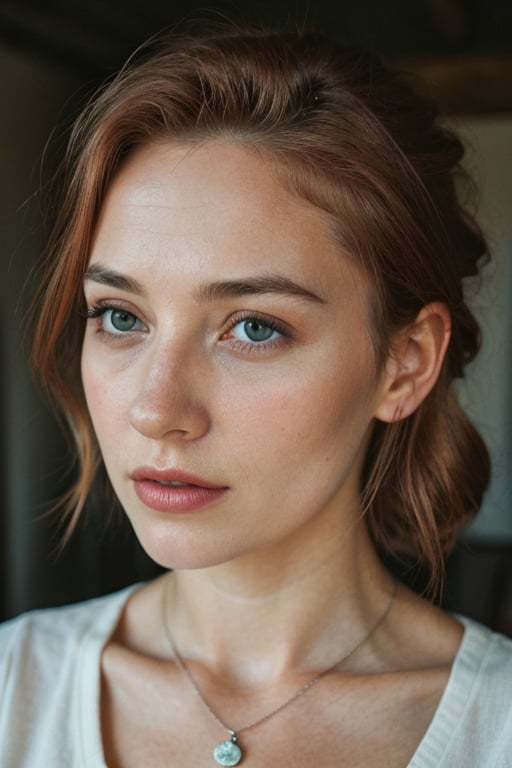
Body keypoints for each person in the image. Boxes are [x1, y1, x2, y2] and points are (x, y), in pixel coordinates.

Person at [1, 22, 511, 768]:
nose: (156, 409)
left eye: (253, 328)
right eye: (120, 317)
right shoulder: (14, 690)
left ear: (404, 364)